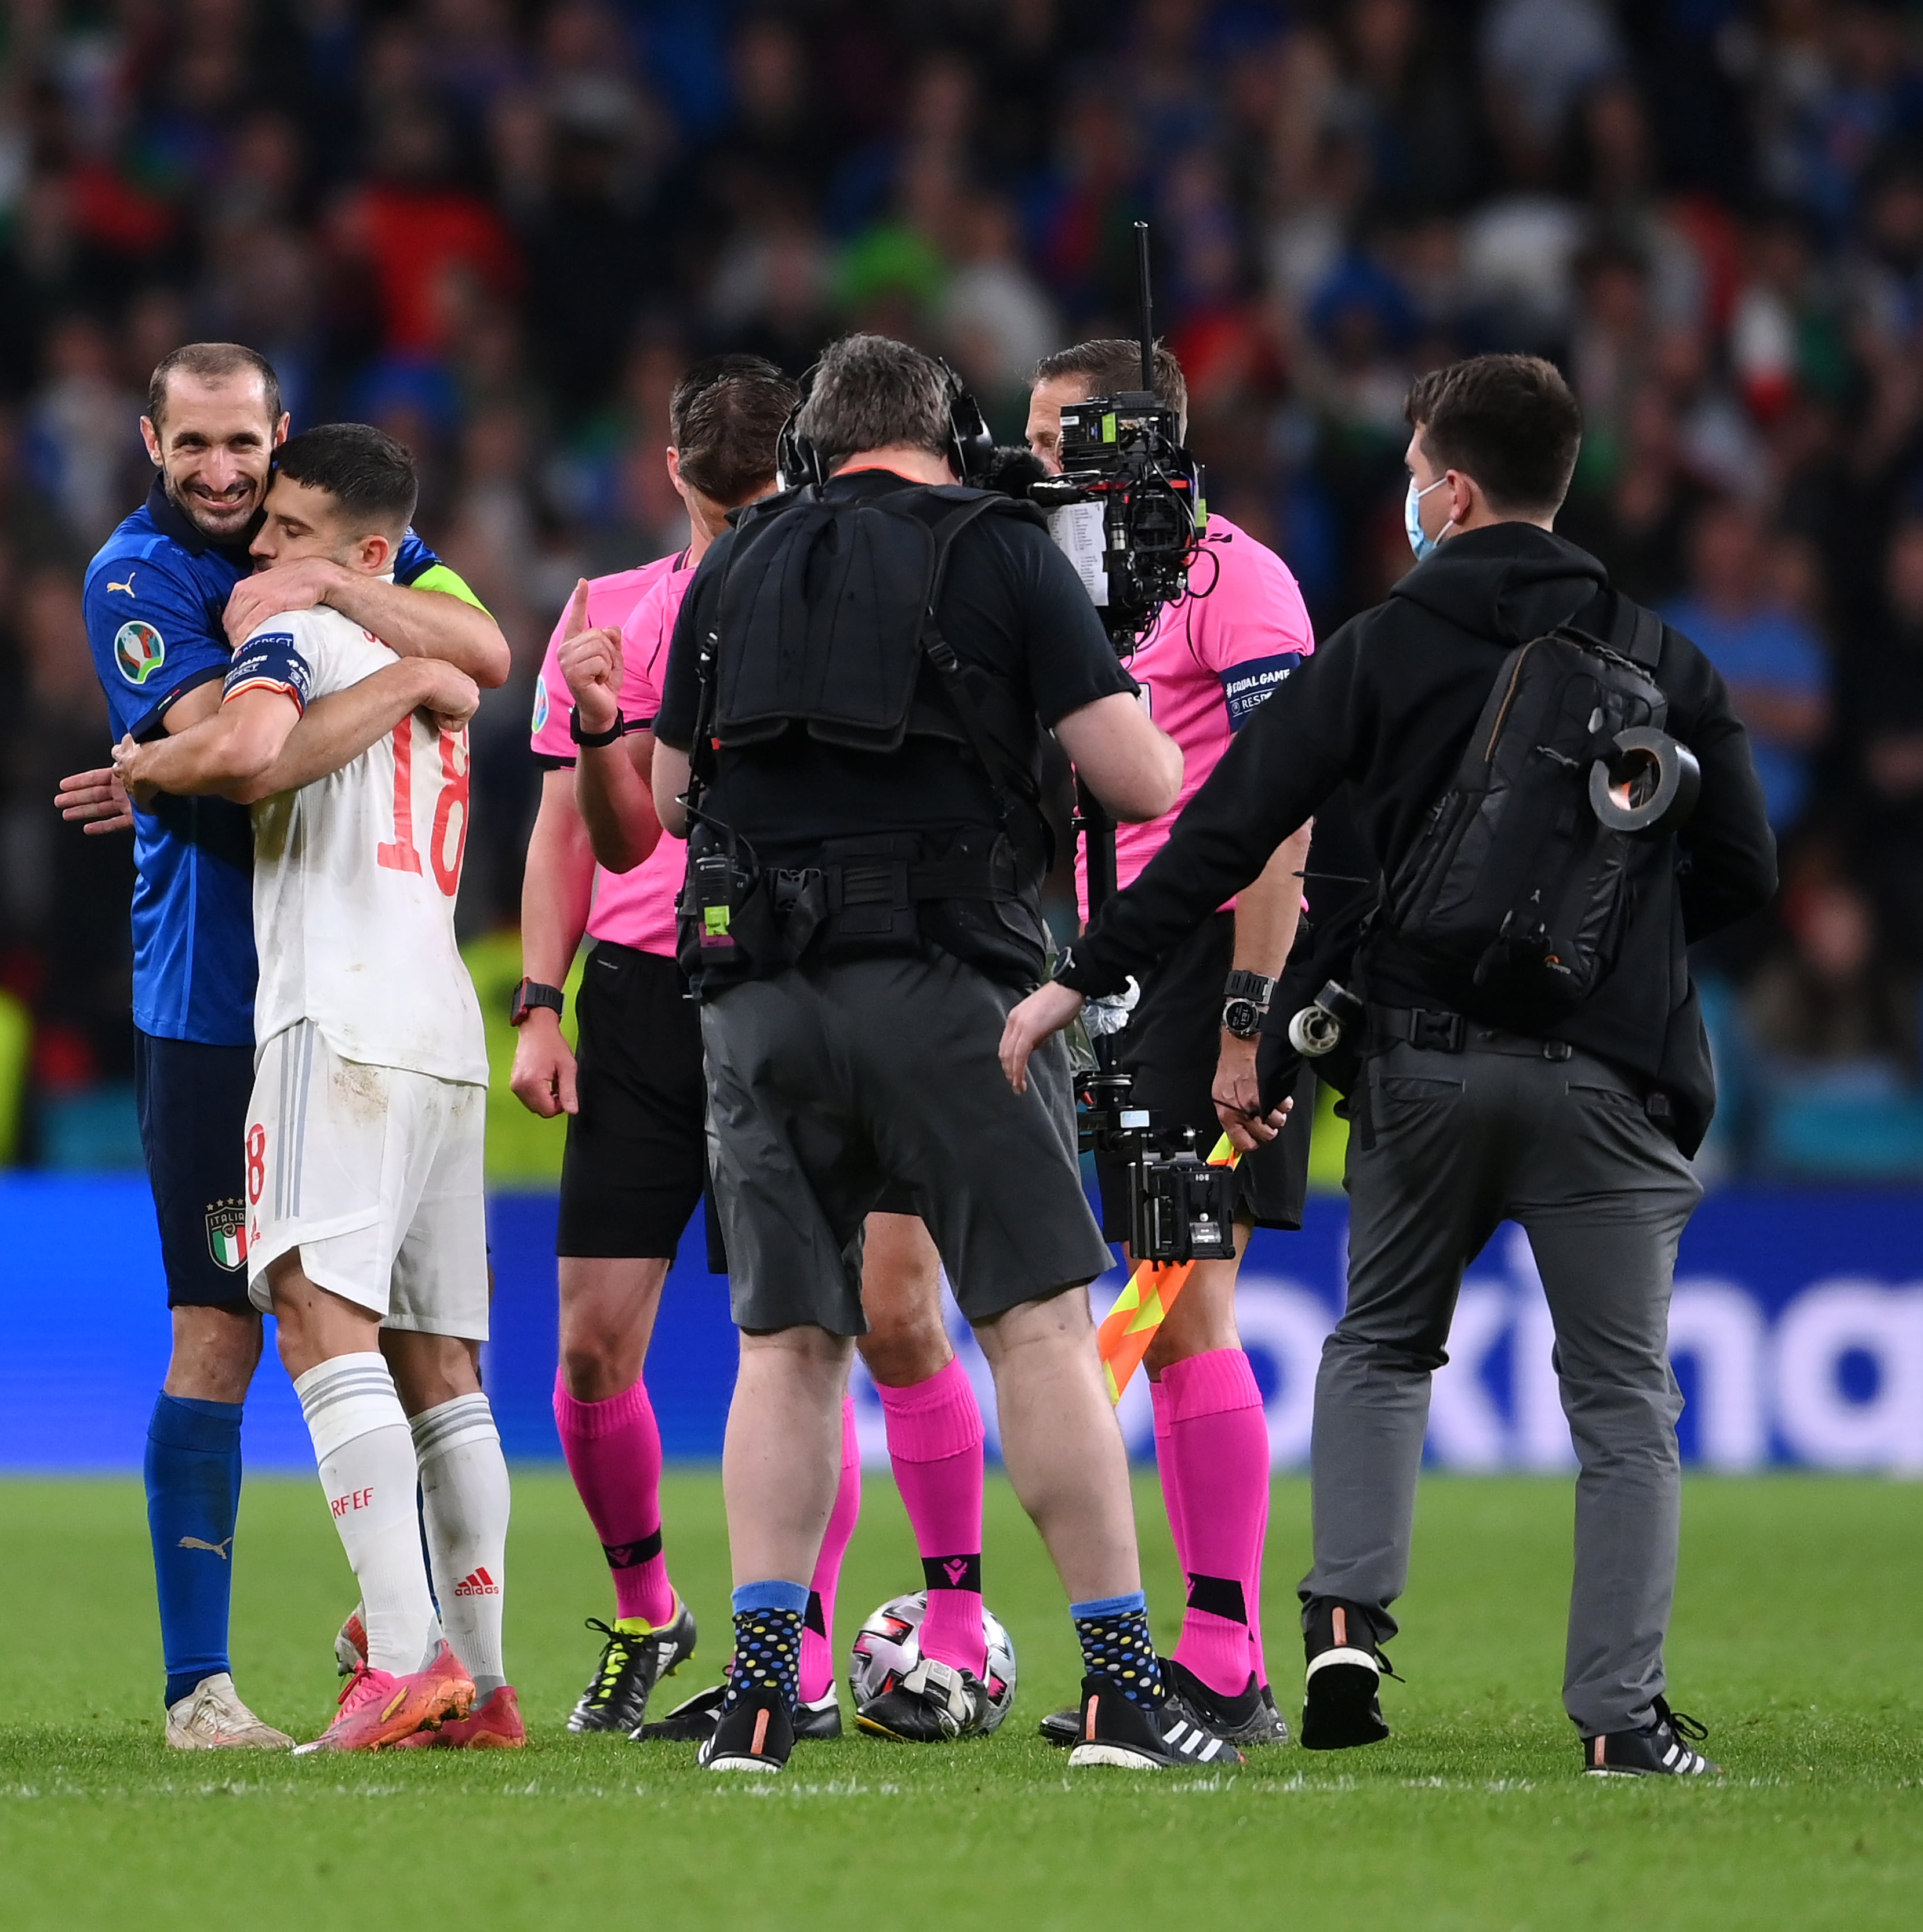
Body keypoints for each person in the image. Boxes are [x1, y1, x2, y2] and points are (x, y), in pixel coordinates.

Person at [1002, 354, 1777, 1777]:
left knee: (1378, 1346)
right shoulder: (1667, 659)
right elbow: (1742, 865)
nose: (1405, 490)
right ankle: (1619, 1717)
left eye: (1416, 466)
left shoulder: (1380, 645)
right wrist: (1617, 958)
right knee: (1621, 1403)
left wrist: (1080, 973)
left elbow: (1229, 826)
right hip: (1610, 1084)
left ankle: (1345, 1616)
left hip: (1419, 1065)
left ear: (1455, 488)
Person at [650, 332, 1234, 1773]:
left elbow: (671, 798)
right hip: (949, 992)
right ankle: (1116, 1679)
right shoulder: (1002, 547)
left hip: (757, 996)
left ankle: (761, 1694)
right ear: (949, 431)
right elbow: (1144, 779)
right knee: (1032, 1327)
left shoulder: (732, 562)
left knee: (786, 1349)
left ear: (809, 448)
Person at [529, 355, 1009, 1748]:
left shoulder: (834, 592)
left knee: (840, 1323)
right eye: (723, 502)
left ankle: (798, 1650)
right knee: (590, 1344)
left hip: (789, 973)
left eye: (764, 502)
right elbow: (591, 835)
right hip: (637, 988)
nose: (742, 528)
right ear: (674, 476)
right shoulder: (607, 615)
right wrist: (540, 999)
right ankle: (646, 1608)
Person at [52, 345, 507, 1751]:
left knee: (361, 1332)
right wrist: (415, 672)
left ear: (279, 435)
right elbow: (227, 731)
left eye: (240, 442)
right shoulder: (139, 574)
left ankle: (425, 1659)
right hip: (214, 998)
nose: (220, 475)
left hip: (326, 1004)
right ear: (150, 439)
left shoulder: (306, 562)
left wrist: (349, 615)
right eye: (191, 444)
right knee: (222, 1333)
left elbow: (480, 655)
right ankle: (206, 1685)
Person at [1020, 339, 1319, 1751]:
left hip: (1210, 965)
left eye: (1051, 435)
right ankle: (1208, 1646)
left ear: (1127, 437)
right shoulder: (1068, 582)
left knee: (1184, 1292)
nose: (1032, 460)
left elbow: (1288, 813)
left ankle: (1222, 1652)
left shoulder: (1235, 579)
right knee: (1162, 1290)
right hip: (1098, 968)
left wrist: (1251, 1019)